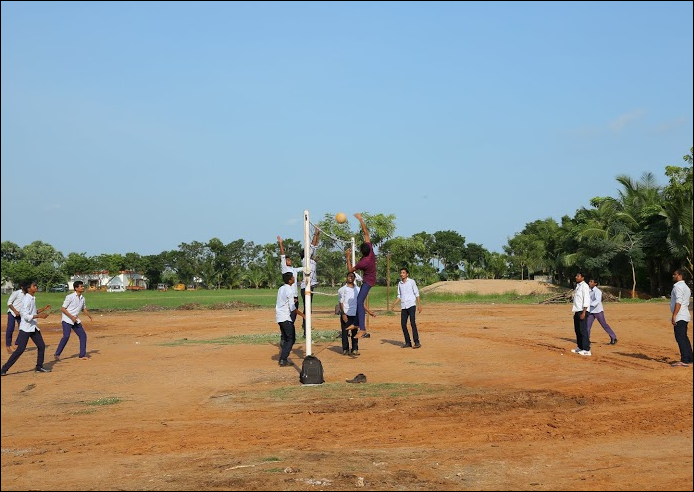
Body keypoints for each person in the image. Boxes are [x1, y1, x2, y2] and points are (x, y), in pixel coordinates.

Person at [1, 282, 52, 376]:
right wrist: (40, 316)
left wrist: (43, 309)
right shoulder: (27, 300)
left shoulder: (32, 298)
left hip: (33, 327)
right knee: (20, 349)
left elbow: (33, 312)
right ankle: (4, 369)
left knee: (41, 346)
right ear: (28, 289)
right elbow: (25, 315)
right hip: (26, 328)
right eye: (34, 286)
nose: (36, 287)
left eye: (36, 285)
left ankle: (39, 367)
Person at [348, 213, 376, 339]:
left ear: (361, 252)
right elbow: (366, 233)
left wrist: (347, 257)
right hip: (370, 279)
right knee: (359, 301)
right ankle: (356, 324)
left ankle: (362, 329)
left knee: (359, 301)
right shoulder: (370, 252)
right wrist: (360, 219)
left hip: (368, 281)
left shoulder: (363, 262)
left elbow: (350, 270)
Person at [338, 269, 375, 356]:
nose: (350, 278)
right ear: (346, 278)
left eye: (352, 276)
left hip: (355, 314)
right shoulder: (342, 289)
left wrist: (369, 311)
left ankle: (355, 349)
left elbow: (361, 303)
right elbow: (340, 302)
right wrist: (343, 314)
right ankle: (345, 349)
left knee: (355, 332)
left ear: (354, 278)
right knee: (345, 332)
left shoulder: (358, 290)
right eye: (349, 276)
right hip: (346, 314)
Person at [54, 280, 94, 361]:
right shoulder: (70, 297)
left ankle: (82, 355)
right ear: (76, 288)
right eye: (81, 286)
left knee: (83, 335)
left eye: (83, 286)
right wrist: (71, 317)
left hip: (75, 320)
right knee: (66, 336)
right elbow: (62, 308)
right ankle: (57, 354)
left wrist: (90, 316)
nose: (83, 288)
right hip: (67, 319)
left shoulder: (82, 298)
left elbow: (84, 308)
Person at [276, 272, 305, 367]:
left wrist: (293, 300)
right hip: (285, 318)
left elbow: (284, 301)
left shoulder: (281, 288)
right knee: (291, 339)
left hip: (279, 317)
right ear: (289, 280)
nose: (294, 278)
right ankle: (283, 359)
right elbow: (292, 308)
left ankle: (283, 357)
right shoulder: (289, 290)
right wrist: (303, 315)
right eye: (293, 277)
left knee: (285, 338)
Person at [393, 267, 422, 348]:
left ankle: (416, 342)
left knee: (412, 323)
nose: (401, 274)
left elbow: (417, 293)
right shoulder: (400, 284)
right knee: (403, 324)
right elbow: (399, 296)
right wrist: (394, 304)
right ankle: (407, 342)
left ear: (407, 274)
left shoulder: (411, 282)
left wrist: (419, 305)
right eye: (401, 273)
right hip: (404, 306)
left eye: (403, 273)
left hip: (411, 305)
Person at [300, 227, 321, 337]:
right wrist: (315, 234)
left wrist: (318, 235)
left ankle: (305, 327)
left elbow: (315, 246)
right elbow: (313, 246)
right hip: (305, 287)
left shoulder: (311, 261)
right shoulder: (305, 260)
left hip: (309, 287)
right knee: (308, 309)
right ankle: (305, 330)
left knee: (308, 308)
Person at [669, 269, 692, 367]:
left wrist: (674, 315)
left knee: (680, 338)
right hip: (685, 314)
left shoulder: (678, 287)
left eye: (675, 274)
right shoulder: (686, 287)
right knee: (684, 337)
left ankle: (685, 360)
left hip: (680, 315)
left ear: (680, 276)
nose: (673, 276)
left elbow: (679, 301)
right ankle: (690, 358)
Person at [277, 236, 302, 324]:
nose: (289, 261)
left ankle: (289, 331)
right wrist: (280, 243)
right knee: (288, 316)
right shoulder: (285, 268)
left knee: (293, 316)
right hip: (289, 296)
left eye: (290, 259)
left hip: (295, 295)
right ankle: (285, 335)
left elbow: (302, 268)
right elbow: (282, 255)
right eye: (287, 260)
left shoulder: (293, 269)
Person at [586, 278, 618, 345]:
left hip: (598, 311)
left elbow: (597, 301)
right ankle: (586, 340)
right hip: (591, 311)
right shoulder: (588, 291)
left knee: (604, 324)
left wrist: (588, 305)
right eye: (589, 281)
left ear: (595, 284)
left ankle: (613, 337)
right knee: (587, 326)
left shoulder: (598, 291)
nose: (589, 283)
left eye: (591, 282)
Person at [570, 272, 591, 356]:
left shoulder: (585, 286)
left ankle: (586, 349)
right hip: (577, 311)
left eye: (578, 276)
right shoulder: (578, 286)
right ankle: (580, 347)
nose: (576, 277)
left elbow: (586, 299)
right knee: (577, 330)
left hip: (583, 311)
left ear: (582, 278)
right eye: (576, 275)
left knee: (583, 330)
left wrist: (584, 312)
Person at [5, 282, 27, 353]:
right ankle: (8, 345)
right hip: (12, 312)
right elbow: (9, 303)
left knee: (22, 329)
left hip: (21, 314)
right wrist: (15, 311)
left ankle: (17, 343)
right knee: (10, 328)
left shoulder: (27, 295)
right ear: (22, 287)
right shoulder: (16, 293)